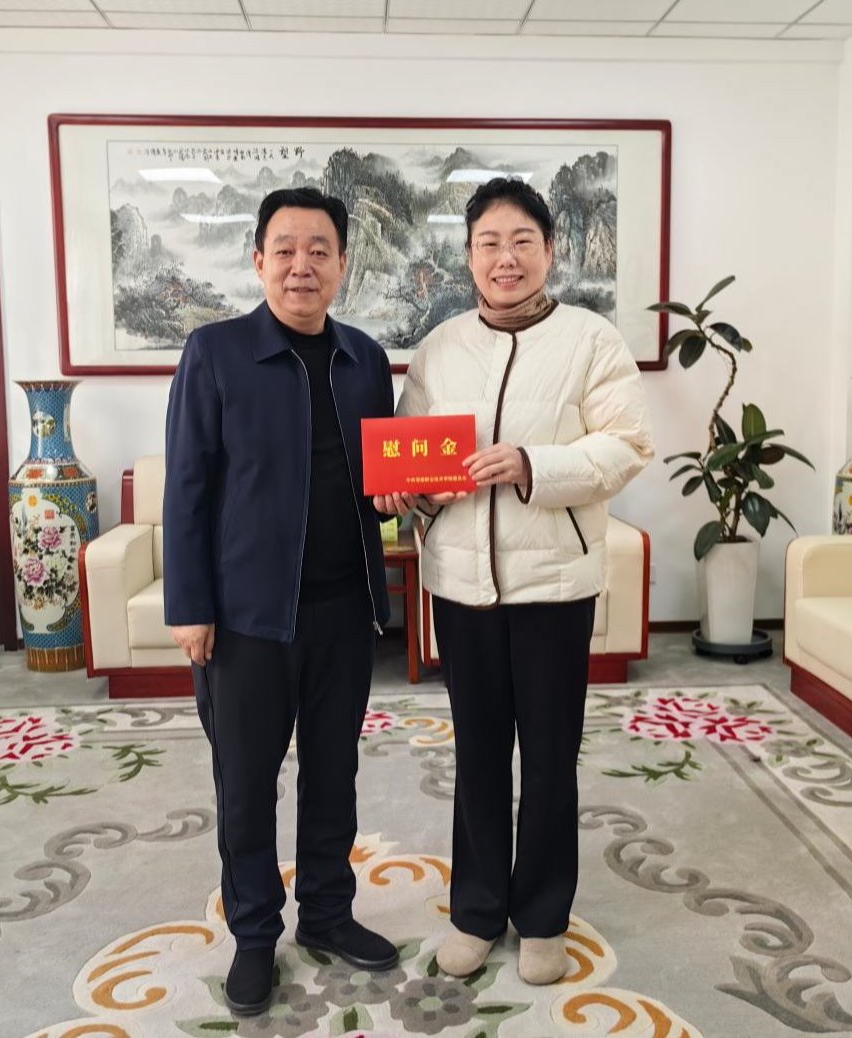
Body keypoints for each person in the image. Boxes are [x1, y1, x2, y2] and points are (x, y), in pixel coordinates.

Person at [393, 177, 653, 985]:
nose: (505, 259)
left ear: (550, 249)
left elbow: (626, 447)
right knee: (477, 754)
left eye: (521, 242)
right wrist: (408, 492)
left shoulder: (591, 341)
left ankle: (542, 918)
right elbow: (409, 449)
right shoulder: (440, 347)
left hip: (554, 585)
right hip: (460, 584)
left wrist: (533, 463)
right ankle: (475, 911)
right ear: (468, 255)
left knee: (546, 756)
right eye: (488, 244)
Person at [163, 187, 411, 1017]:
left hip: (343, 610)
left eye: (319, 250)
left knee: (334, 773)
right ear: (259, 260)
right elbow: (187, 486)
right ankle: (254, 935)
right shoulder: (215, 352)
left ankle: (329, 914)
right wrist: (190, 605)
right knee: (245, 783)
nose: (302, 265)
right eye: (285, 249)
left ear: (343, 264)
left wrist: (397, 497)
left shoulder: (365, 358)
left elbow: (379, 478)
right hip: (245, 618)